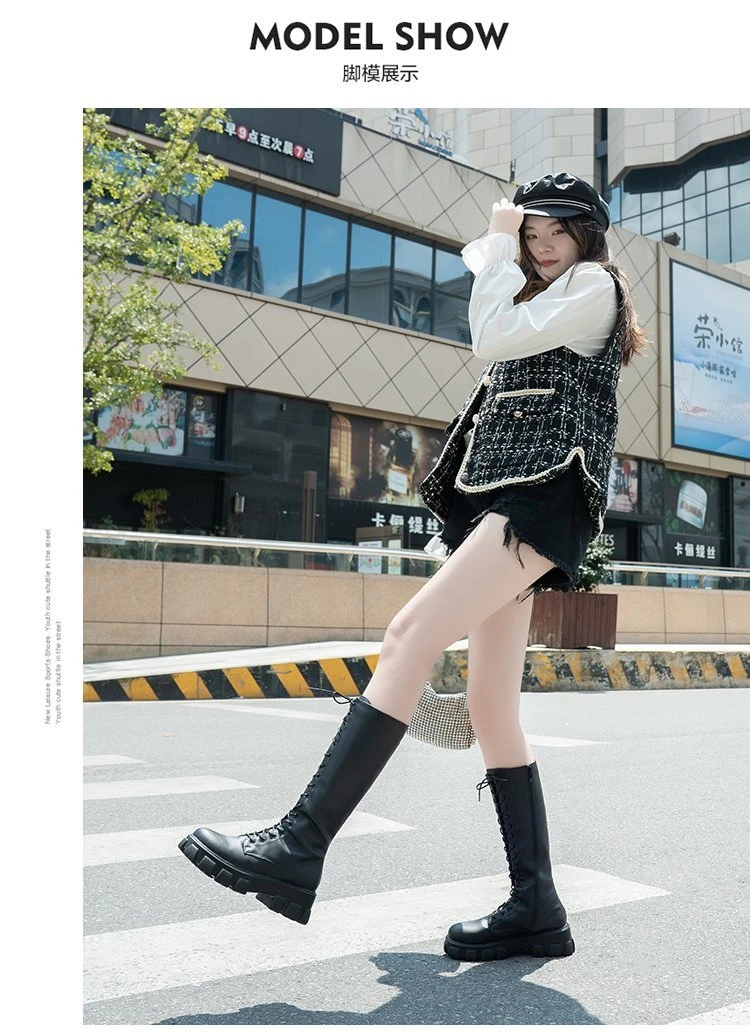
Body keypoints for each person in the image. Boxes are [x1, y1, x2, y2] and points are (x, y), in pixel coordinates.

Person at [178, 171, 648, 962]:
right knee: (490, 706)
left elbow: (487, 335)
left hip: (540, 500)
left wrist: (496, 242)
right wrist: (502, 251)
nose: (541, 247)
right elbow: (501, 340)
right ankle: (536, 903)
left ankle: (300, 842)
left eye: (555, 233)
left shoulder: (593, 288)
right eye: (531, 235)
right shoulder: (543, 297)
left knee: (408, 635)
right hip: (514, 502)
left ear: (588, 236)